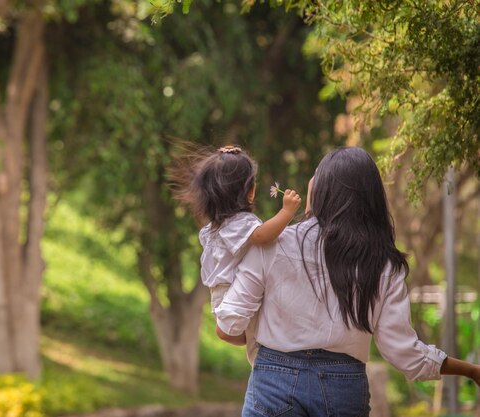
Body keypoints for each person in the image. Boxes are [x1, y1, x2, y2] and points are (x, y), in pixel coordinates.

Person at [215, 147, 480, 416]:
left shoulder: (272, 244)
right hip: (344, 390)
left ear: (319, 190)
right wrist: (471, 370)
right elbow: (405, 354)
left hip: (273, 384)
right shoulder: (384, 264)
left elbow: (227, 327)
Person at [171, 144, 301, 365]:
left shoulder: (220, 224)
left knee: (240, 333)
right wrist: (286, 212)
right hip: (229, 290)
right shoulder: (241, 224)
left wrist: (230, 159)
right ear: (250, 192)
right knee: (235, 332)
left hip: (220, 291)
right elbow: (263, 236)